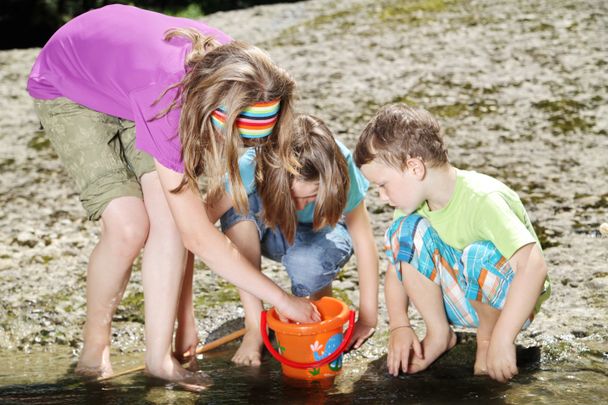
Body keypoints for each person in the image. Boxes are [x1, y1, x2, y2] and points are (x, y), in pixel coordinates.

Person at [26, 4, 320, 386]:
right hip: (68, 83)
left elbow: (182, 225)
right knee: (129, 226)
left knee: (166, 215)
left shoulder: (248, 74)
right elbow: (198, 236)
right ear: (213, 119)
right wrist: (283, 301)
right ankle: (95, 342)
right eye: (238, 141)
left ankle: (156, 358)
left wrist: (185, 321)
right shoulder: (170, 106)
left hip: (130, 83)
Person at [353, 103, 550, 383]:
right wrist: (399, 324)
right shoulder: (411, 205)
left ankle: (487, 338)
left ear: (414, 167)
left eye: (383, 185)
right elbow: (396, 268)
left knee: (477, 255)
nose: (382, 196)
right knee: (403, 231)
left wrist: (503, 339)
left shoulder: (484, 199)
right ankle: (439, 333)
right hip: (459, 299)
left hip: (510, 304)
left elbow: (534, 267)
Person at [206, 114, 379, 366]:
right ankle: (255, 326)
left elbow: (364, 243)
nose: (299, 205)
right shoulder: (253, 163)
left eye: (311, 195)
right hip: (269, 230)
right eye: (292, 196)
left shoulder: (340, 165)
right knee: (236, 207)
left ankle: (318, 305)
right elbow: (195, 225)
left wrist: (367, 319)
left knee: (308, 265)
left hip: (320, 231)